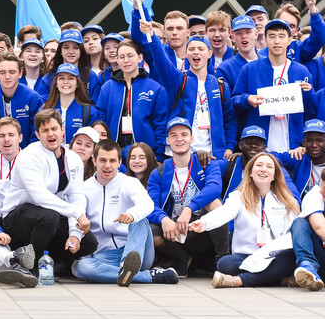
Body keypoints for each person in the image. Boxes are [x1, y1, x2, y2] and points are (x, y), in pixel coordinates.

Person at [0, 109, 97, 268]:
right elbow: (40, 196)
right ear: (37, 135)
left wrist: (75, 233)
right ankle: (28, 268)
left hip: (50, 217)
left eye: (54, 128)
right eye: (45, 130)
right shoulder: (29, 155)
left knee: (89, 242)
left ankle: (47, 263)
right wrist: (76, 213)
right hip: (16, 216)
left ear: (62, 130)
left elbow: (76, 196)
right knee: (49, 217)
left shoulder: (74, 159)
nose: (51, 134)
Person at [75, 139, 179, 285]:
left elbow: (147, 204)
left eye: (112, 161)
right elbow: (76, 216)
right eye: (103, 160)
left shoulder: (129, 183)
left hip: (136, 252)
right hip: (104, 256)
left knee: (140, 219)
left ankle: (127, 266)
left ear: (119, 163)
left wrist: (131, 215)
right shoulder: (84, 188)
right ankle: (148, 276)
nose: (107, 165)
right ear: (94, 160)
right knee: (82, 267)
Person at [189, 153, 300, 287]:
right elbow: (224, 212)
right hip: (246, 256)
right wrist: (205, 222)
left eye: (269, 167)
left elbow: (290, 234)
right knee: (225, 264)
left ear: (275, 175)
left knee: (289, 259)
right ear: (250, 172)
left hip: (274, 256)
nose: (263, 169)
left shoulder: (288, 201)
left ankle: (238, 281)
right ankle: (277, 279)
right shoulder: (238, 197)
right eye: (259, 165)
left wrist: (270, 251)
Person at [135, 19, 235, 162]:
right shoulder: (178, 79)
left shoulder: (220, 85)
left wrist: (229, 147)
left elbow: (230, 119)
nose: (196, 52)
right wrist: (152, 36)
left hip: (214, 155)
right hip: (181, 154)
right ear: (186, 54)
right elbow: (162, 61)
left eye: (201, 49)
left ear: (209, 53)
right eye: (192, 49)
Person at [147, 117, 227, 277]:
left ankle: (222, 262)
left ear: (192, 138)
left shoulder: (207, 164)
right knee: (150, 229)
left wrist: (190, 209)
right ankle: (180, 259)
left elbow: (214, 188)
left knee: (215, 204)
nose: (179, 139)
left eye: (184, 134)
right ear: (167, 141)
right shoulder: (158, 173)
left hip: (199, 227)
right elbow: (150, 206)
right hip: (173, 229)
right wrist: (164, 219)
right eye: (174, 135)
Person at [233, 18, 314, 152]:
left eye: (281, 36)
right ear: (265, 40)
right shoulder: (249, 69)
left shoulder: (301, 71)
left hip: (292, 148)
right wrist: (247, 99)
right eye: (272, 36)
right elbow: (235, 100)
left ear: (289, 40)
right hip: (259, 145)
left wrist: (309, 93)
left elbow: (310, 110)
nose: (277, 41)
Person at [95, 39, 169, 158]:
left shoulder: (155, 88)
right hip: (114, 153)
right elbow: (102, 122)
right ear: (117, 60)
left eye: (130, 56)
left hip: (146, 153)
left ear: (140, 58)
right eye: (121, 57)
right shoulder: (107, 88)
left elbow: (160, 125)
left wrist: (159, 155)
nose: (126, 60)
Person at [0, 52, 44, 145]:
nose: (7, 77)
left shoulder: (33, 98)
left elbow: (37, 131)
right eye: (2, 72)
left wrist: (28, 151)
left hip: (26, 151)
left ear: (20, 73)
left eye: (12, 72)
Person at [222, 125, 298, 200]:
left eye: (258, 143)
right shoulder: (228, 165)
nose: (253, 146)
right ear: (240, 145)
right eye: (249, 142)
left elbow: (294, 198)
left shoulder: (275, 169)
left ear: (264, 148)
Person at [36, 29, 101, 103]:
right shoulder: (49, 78)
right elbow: (41, 105)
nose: (71, 52)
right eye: (66, 47)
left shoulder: (91, 76)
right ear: (60, 51)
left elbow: (95, 104)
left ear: (81, 51)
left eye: (75, 48)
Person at [42, 63, 100, 142]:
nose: (66, 82)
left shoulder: (90, 112)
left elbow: (94, 141)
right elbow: (37, 138)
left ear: (77, 84)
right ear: (56, 83)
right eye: (61, 78)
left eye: (70, 78)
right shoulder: (45, 109)